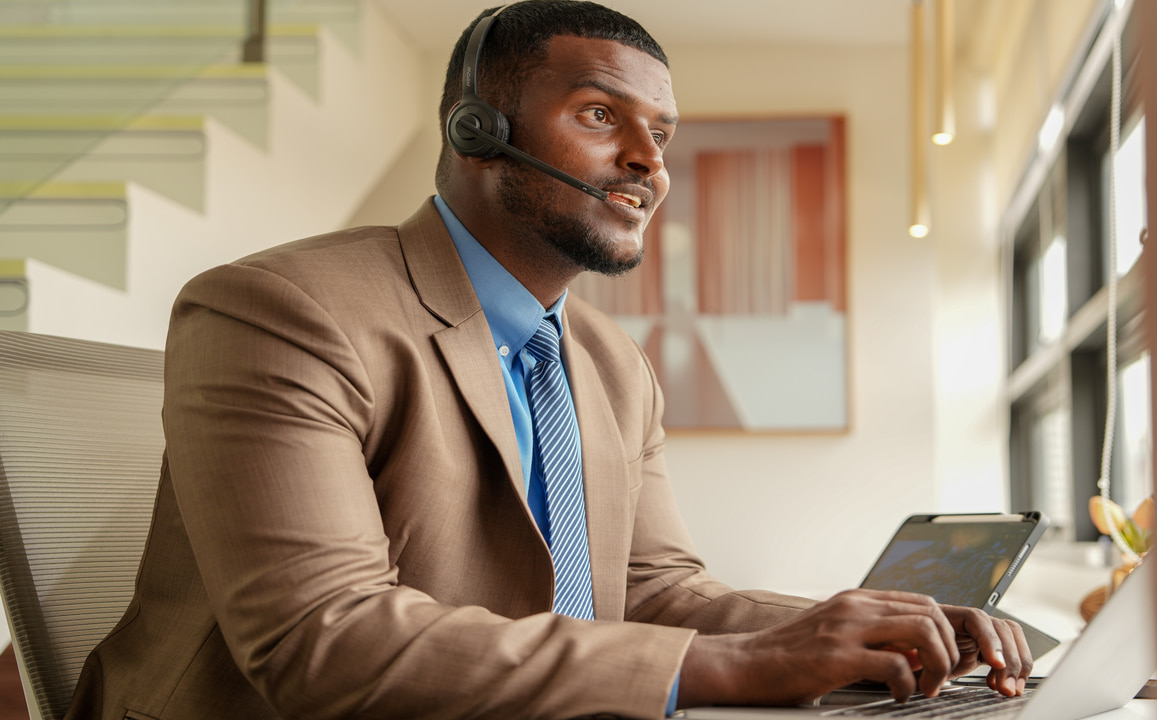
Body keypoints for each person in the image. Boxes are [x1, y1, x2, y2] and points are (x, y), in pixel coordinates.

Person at [65, 2, 1031, 718]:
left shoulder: (614, 365)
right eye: (603, 116)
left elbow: (656, 593)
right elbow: (325, 641)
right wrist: (740, 667)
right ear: (477, 131)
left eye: (662, 134)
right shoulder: (283, 311)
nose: (650, 163)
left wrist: (855, 630)